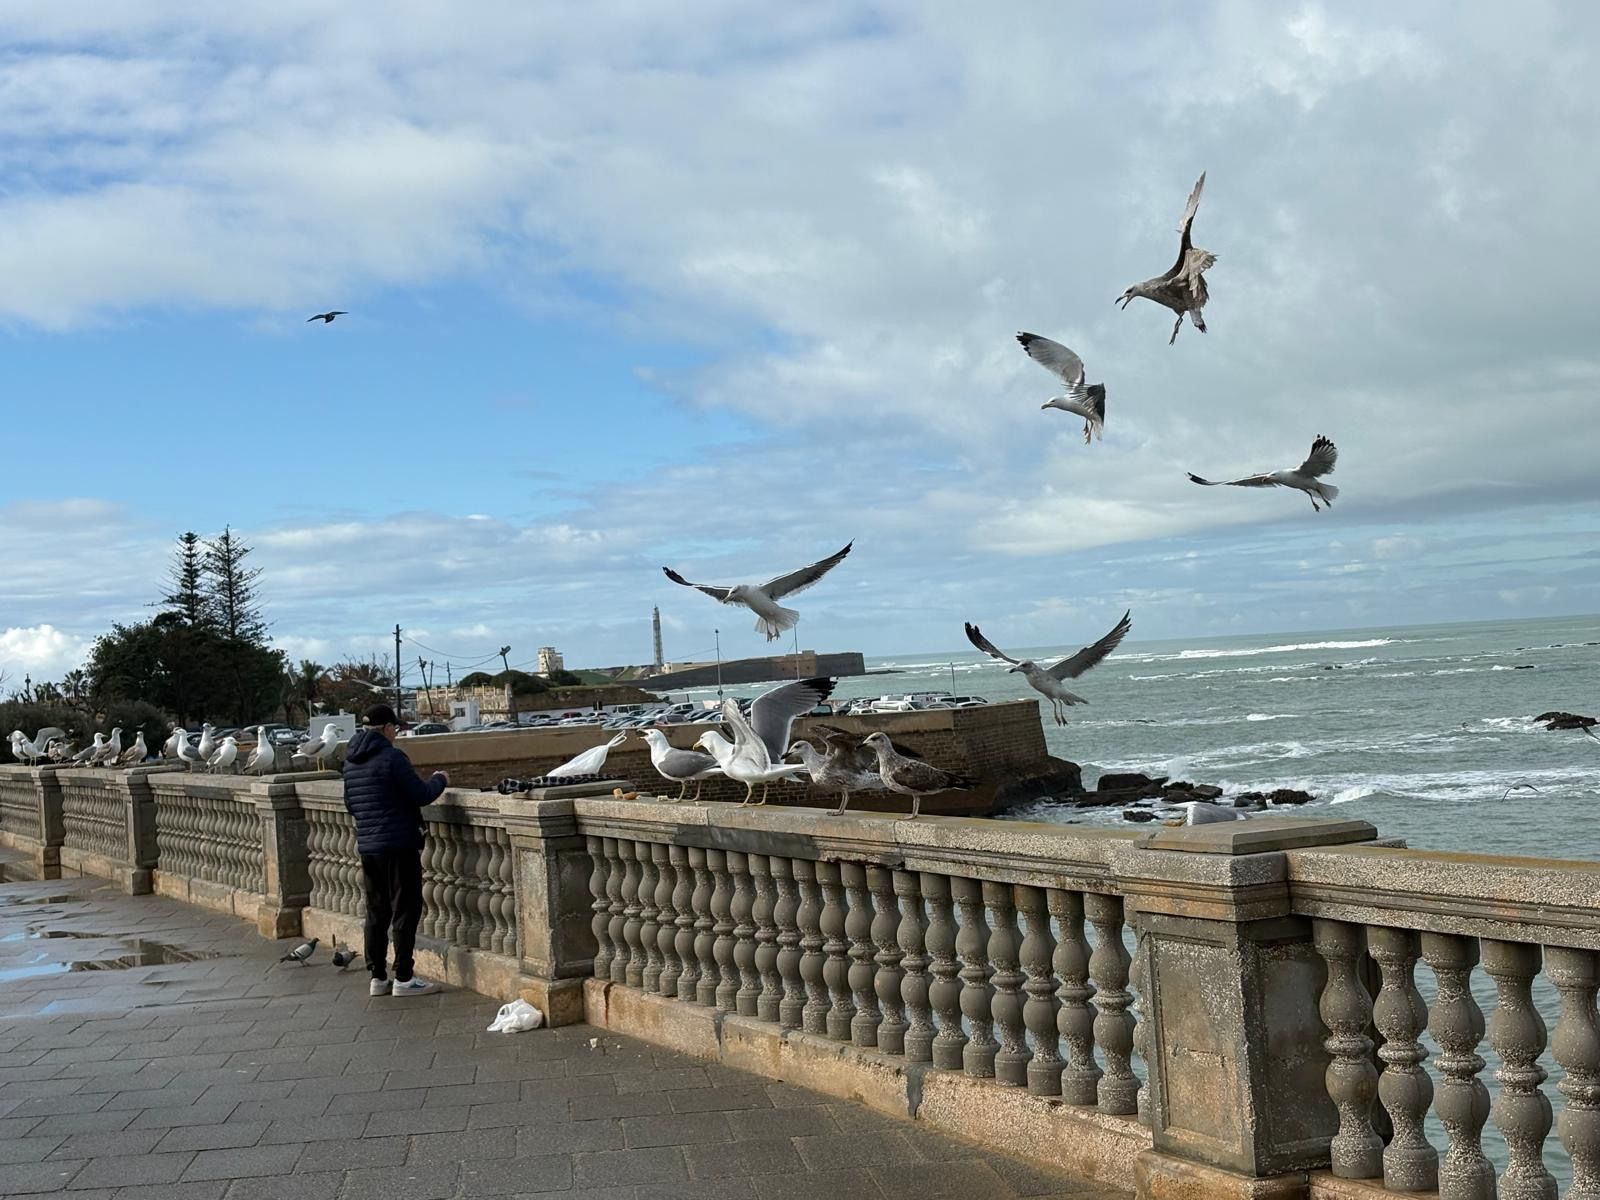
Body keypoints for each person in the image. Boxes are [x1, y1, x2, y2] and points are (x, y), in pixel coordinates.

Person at [342, 704, 449, 997]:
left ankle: (377, 977)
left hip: (369, 846)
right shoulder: (392, 758)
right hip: (399, 844)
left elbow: (351, 804)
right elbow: (421, 794)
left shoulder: (350, 761)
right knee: (405, 909)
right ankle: (403, 976)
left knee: (376, 911)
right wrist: (441, 779)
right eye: (396, 728)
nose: (397, 733)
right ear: (387, 728)